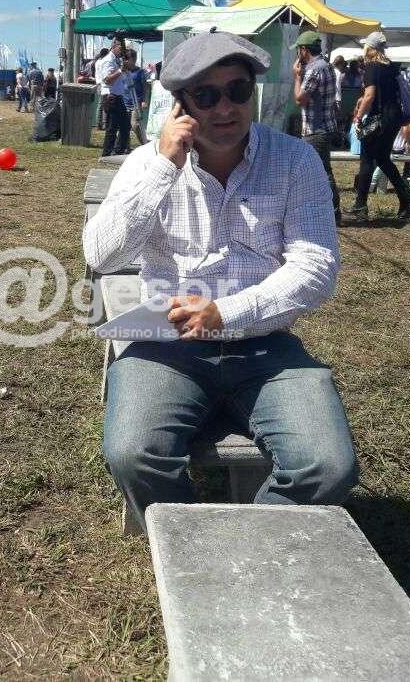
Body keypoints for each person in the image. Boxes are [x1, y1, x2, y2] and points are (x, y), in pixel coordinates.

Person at [84, 30, 357, 533]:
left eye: (237, 90)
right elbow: (101, 256)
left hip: (264, 345)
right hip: (168, 343)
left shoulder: (295, 161)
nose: (226, 107)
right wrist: (164, 168)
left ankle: (242, 547)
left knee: (327, 466)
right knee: (134, 454)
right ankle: (190, 546)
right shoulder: (146, 165)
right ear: (180, 104)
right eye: (206, 96)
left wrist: (224, 313)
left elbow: (315, 268)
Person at [347, 32, 410, 221]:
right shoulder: (391, 67)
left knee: (367, 159)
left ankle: (360, 205)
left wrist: (358, 117)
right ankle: (406, 198)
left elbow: (369, 96)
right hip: (394, 118)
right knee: (383, 159)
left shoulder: (371, 67)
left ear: (369, 48)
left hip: (379, 118)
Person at [292, 30, 342, 225]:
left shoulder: (314, 70)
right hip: (325, 126)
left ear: (304, 50)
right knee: (321, 170)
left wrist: (297, 77)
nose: (297, 53)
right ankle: (328, 210)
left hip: (315, 129)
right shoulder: (326, 66)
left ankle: (333, 212)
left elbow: (300, 99)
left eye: (298, 49)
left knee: (322, 171)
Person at [96, 38, 130, 157]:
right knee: (112, 127)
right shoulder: (108, 61)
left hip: (117, 96)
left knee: (125, 126)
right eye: (121, 48)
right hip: (111, 96)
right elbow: (107, 80)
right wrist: (120, 70)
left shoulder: (116, 60)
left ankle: (118, 151)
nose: (122, 51)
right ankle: (107, 153)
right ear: (114, 46)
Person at [126, 49, 149, 145]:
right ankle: (125, 146)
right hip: (124, 101)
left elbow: (145, 86)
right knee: (125, 126)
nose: (126, 60)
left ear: (134, 59)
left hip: (136, 102)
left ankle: (144, 143)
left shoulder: (140, 71)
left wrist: (144, 100)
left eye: (128, 58)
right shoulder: (123, 71)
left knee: (135, 125)